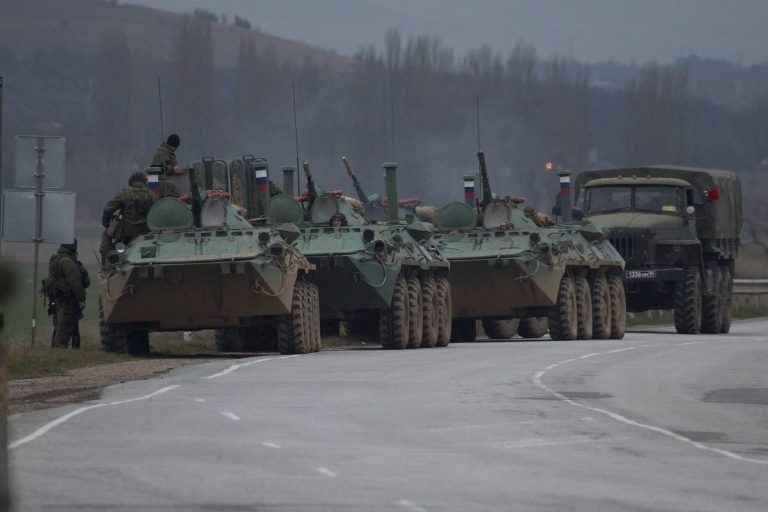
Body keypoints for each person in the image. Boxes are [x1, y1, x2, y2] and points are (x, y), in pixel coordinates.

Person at [100, 171, 157, 264]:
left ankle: (107, 265)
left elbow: (107, 209)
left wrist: (106, 224)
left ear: (131, 182)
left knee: (106, 237)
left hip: (126, 232)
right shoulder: (151, 195)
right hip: (147, 232)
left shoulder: (125, 194)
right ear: (144, 182)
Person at [49, 240, 88, 349]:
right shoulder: (67, 261)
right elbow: (75, 281)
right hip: (66, 299)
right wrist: (81, 298)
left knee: (59, 324)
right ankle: (59, 350)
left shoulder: (56, 259)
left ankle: (56, 348)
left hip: (57, 298)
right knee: (64, 325)